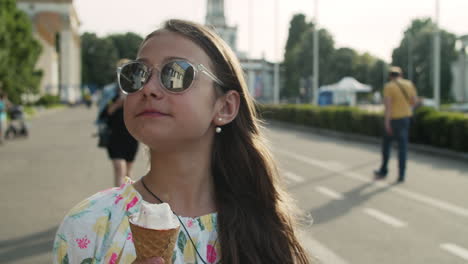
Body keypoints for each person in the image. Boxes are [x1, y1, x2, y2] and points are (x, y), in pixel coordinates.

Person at [53, 19, 310, 264]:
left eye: (176, 74)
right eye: (137, 73)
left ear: (225, 107)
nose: (148, 88)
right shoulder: (89, 224)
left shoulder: (263, 224)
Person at [99, 59, 140, 187]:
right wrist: (118, 103)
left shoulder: (137, 90)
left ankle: (127, 202)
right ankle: (118, 202)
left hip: (131, 135)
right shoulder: (110, 91)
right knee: (120, 169)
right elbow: (104, 114)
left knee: (128, 172)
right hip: (114, 135)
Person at [374, 66, 418, 183]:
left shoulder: (389, 86)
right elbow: (414, 101)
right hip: (405, 119)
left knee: (386, 146)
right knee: (403, 148)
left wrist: (387, 122)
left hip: (393, 120)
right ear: (401, 75)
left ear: (390, 76)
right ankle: (401, 174)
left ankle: (384, 170)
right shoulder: (409, 84)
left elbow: (388, 106)